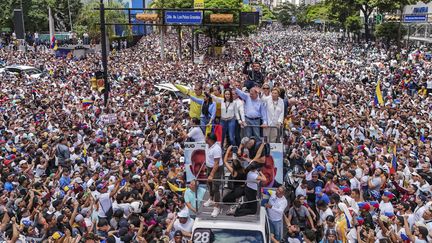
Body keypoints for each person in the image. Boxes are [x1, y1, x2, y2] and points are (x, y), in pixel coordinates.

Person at [203, 133, 223, 217]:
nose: (205, 138)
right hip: (209, 167)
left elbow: (216, 163)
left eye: (206, 138)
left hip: (216, 169)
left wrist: (211, 175)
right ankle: (211, 199)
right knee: (209, 185)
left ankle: (217, 207)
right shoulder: (207, 145)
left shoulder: (217, 149)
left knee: (216, 188)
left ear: (210, 140)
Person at [223, 146, 247, 214]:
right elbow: (237, 161)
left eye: (231, 163)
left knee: (225, 200)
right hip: (244, 189)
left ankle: (236, 204)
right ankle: (240, 199)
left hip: (237, 191)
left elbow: (225, 161)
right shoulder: (243, 169)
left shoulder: (234, 172)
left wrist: (228, 150)